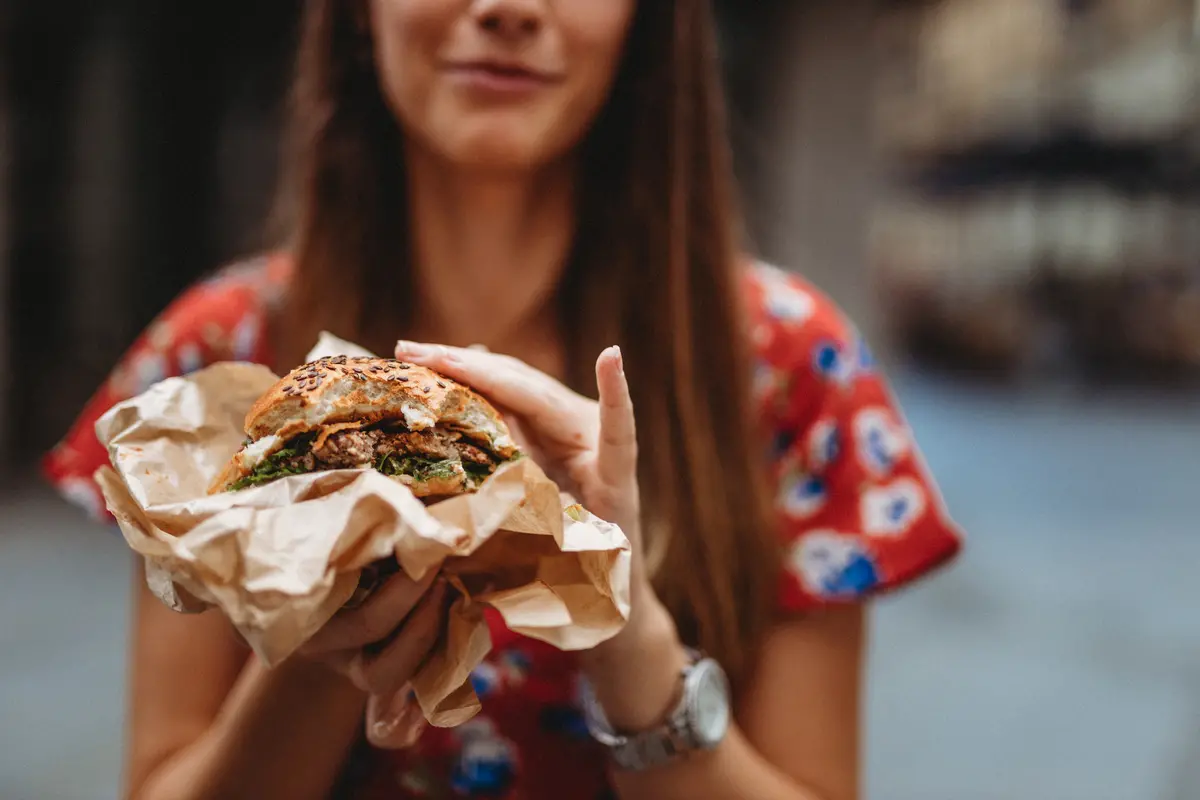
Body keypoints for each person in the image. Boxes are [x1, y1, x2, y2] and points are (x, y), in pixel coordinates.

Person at [43, 1, 964, 798]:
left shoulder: (785, 367)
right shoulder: (220, 357)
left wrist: (631, 635)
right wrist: (329, 632)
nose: (510, 8)